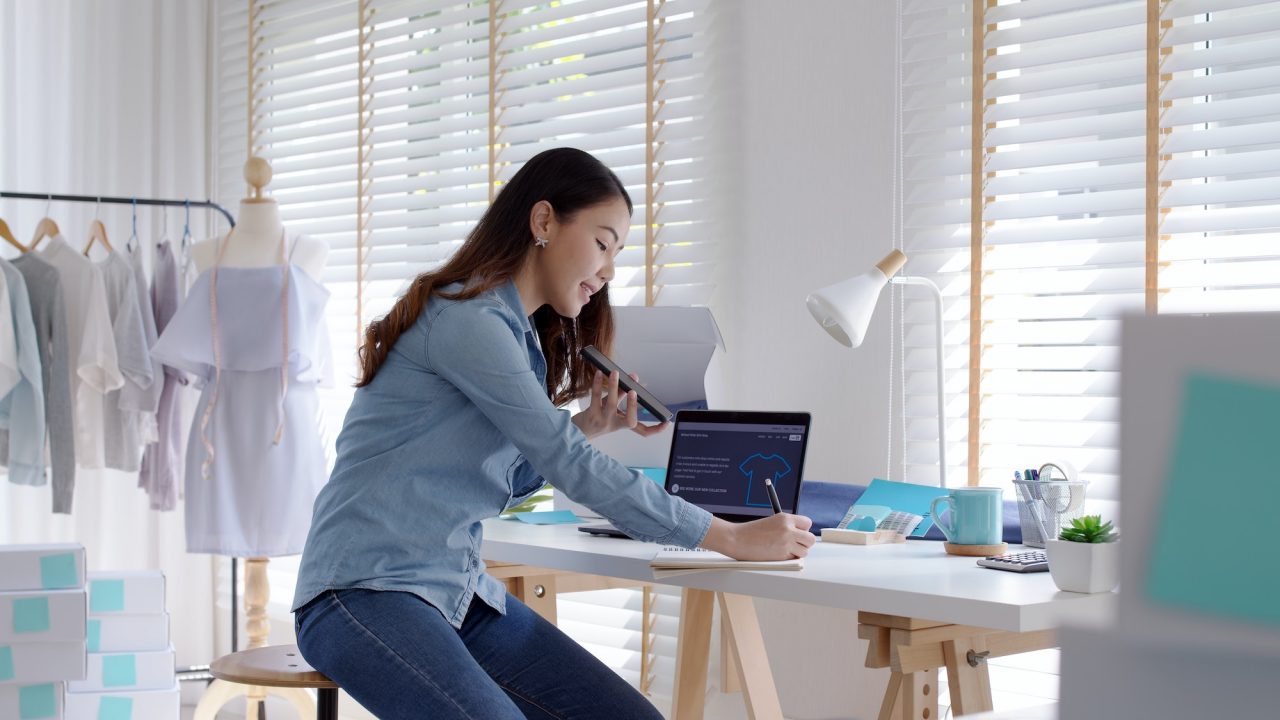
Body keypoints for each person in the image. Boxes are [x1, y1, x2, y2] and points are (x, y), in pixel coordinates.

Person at [292, 147, 815, 719]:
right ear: (543, 221)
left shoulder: (518, 340)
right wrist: (729, 537)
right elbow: (566, 462)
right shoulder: (467, 320)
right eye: (602, 242)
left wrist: (589, 425)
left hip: (455, 591)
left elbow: (506, 482)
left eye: (617, 252)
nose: (610, 270)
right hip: (361, 592)